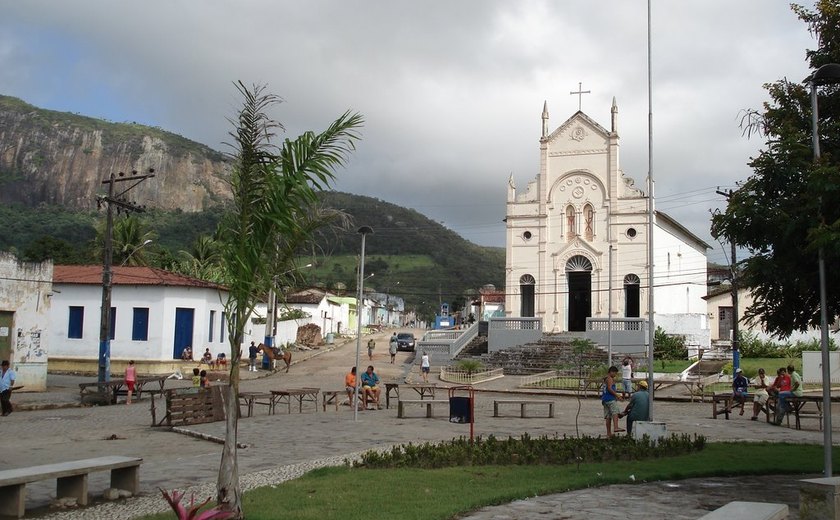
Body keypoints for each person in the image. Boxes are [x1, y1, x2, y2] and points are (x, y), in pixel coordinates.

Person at [601, 365, 623, 437]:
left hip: (605, 399)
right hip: (610, 399)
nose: (615, 375)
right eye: (615, 373)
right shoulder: (610, 379)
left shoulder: (606, 378)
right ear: (611, 372)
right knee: (615, 412)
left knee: (608, 416)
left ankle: (608, 433)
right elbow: (610, 389)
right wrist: (617, 395)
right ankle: (616, 427)